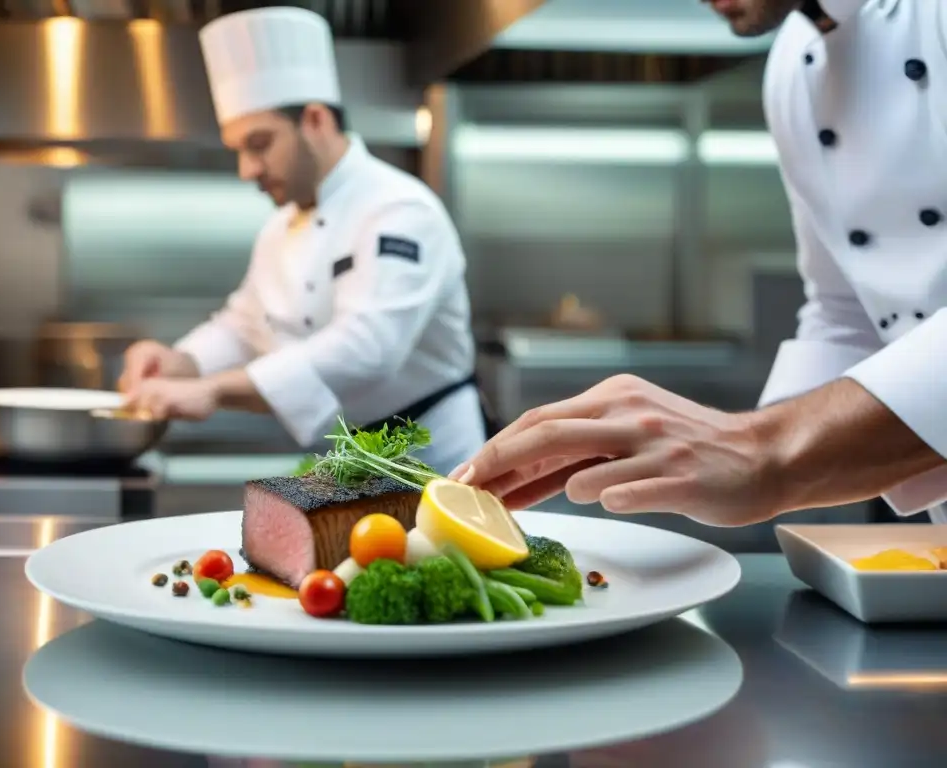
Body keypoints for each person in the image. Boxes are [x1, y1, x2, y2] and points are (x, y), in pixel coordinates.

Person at [452, 0, 947, 525]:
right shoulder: (790, 65)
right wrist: (736, 458)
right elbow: (844, 309)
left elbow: (771, 450)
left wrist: (766, 449)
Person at [117, 7, 487, 475]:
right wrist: (182, 361)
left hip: (434, 462)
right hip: (350, 460)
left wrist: (215, 389)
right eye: (239, 151)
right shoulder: (281, 226)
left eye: (259, 144)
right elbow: (243, 325)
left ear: (314, 119)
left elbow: (366, 348)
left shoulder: (398, 210)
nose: (247, 170)